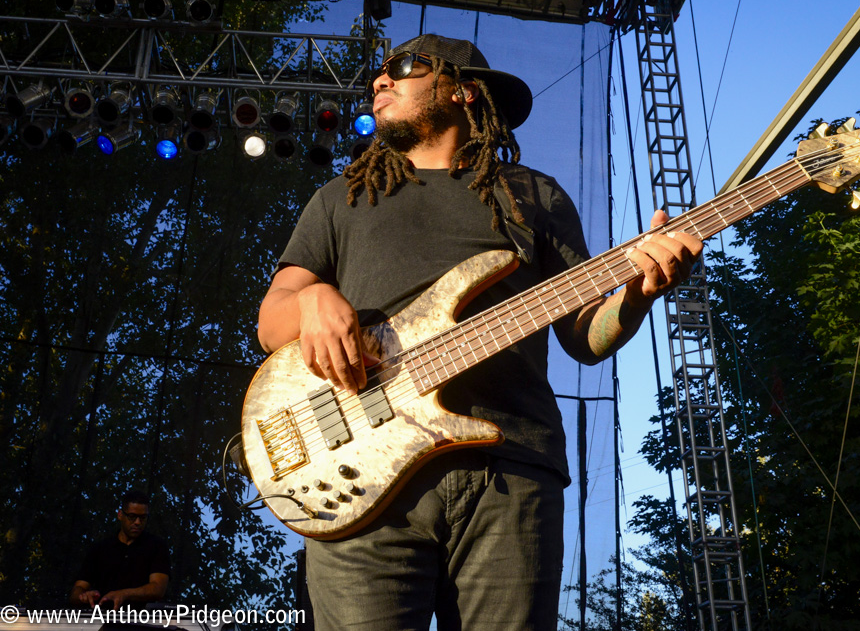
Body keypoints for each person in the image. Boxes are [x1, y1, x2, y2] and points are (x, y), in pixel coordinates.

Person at [257, 34, 702, 630]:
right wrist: (311, 299)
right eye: (379, 73)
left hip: (510, 470)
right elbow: (271, 319)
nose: (379, 81)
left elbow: (583, 337)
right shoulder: (343, 198)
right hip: (364, 479)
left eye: (403, 68)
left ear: (463, 89)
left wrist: (639, 294)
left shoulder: (533, 196)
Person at [70, 489, 170, 610]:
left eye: (143, 518)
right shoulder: (100, 548)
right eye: (132, 516)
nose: (138, 522)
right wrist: (84, 596)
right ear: (120, 515)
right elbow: (77, 590)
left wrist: (123, 594)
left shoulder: (156, 546)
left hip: (141, 623)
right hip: (100, 621)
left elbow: (158, 589)